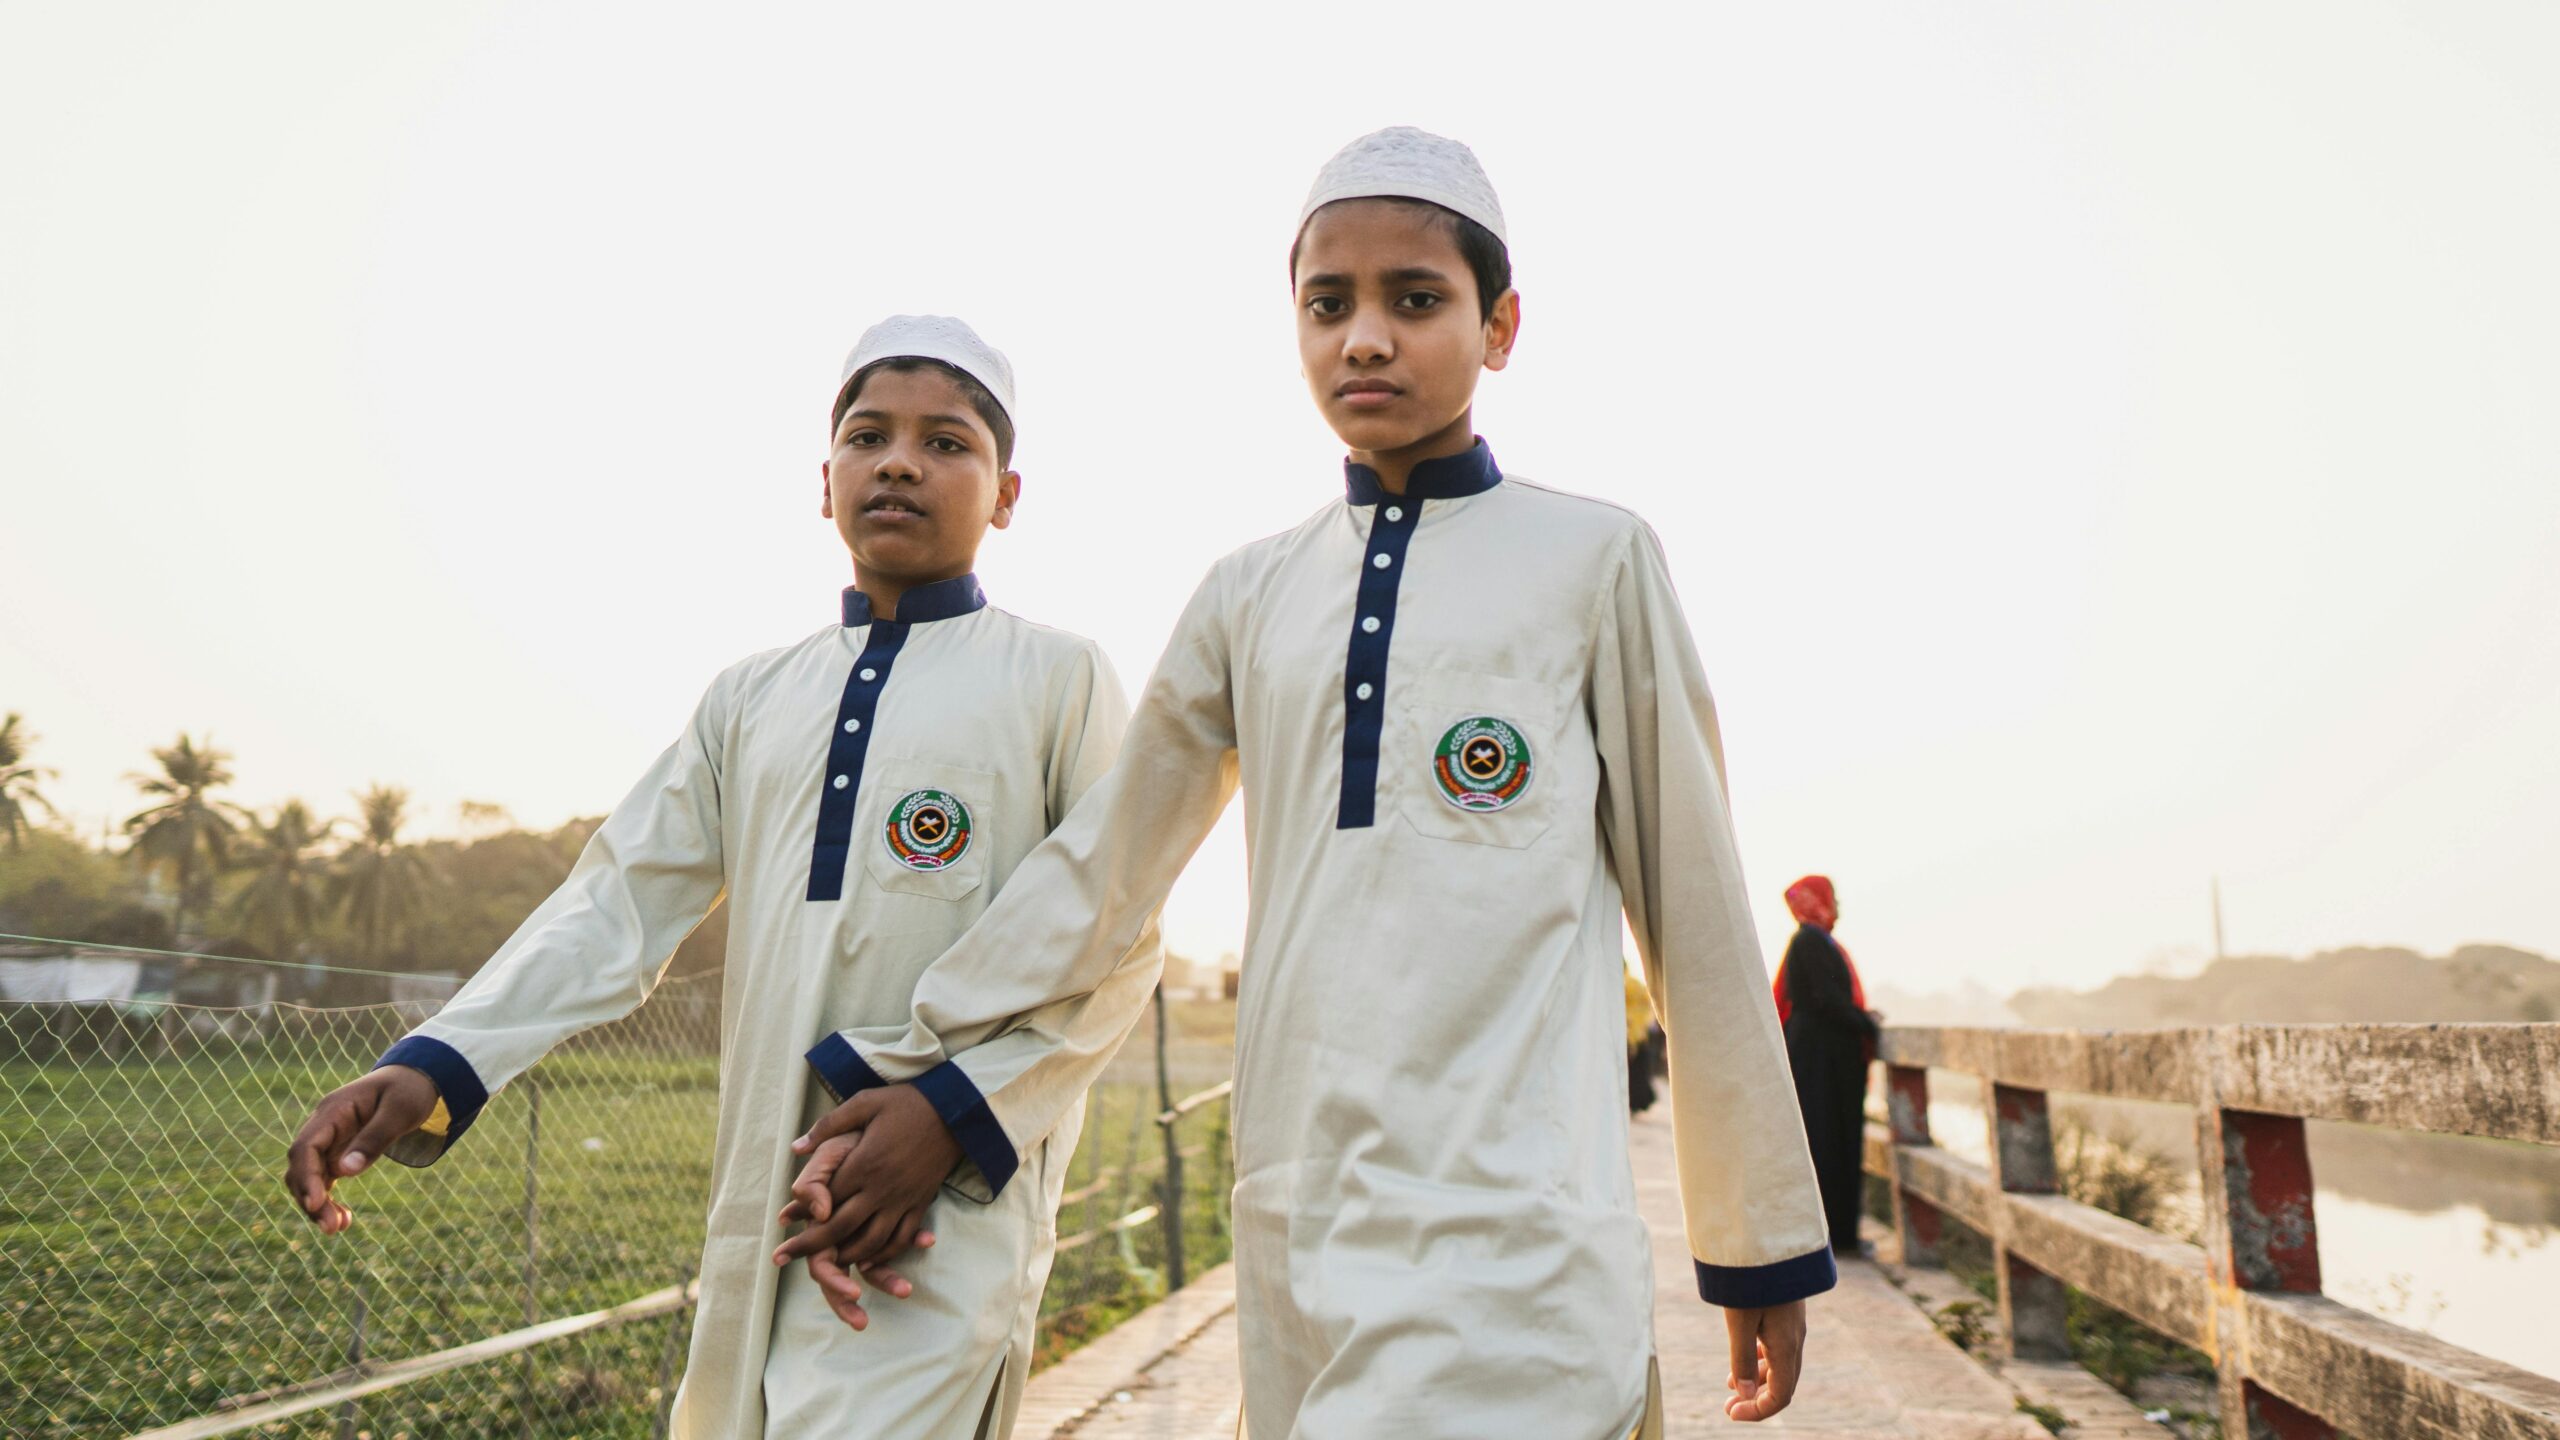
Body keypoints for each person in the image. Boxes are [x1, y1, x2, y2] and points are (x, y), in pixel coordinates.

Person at [772, 128, 1834, 1436]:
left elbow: (1698, 908)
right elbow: (1105, 870)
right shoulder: (1251, 591)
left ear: (1501, 328)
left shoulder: (1593, 559)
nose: (1367, 339)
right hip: (1299, 1227)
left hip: (1522, 1227)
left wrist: (1756, 1241)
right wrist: (936, 1080)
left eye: (1416, 300)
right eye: (1329, 305)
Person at [278, 316, 1162, 1439]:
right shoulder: (751, 698)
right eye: (868, 435)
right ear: (824, 479)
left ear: (1006, 494)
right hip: (766, 1196)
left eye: (947, 443)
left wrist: (951, 1116)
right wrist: (437, 1062)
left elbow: (1119, 934)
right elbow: (616, 903)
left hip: (942, 1204)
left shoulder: (1060, 678)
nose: (899, 461)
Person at [1771, 874, 1879, 1257]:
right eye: (1831, 898)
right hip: (1822, 1061)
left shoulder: (1813, 941)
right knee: (1829, 1143)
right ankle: (1836, 1237)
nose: (1838, 906)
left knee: (1828, 1142)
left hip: (1822, 1057)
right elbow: (1826, 1000)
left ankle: (1834, 1234)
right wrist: (1865, 1023)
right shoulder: (1809, 941)